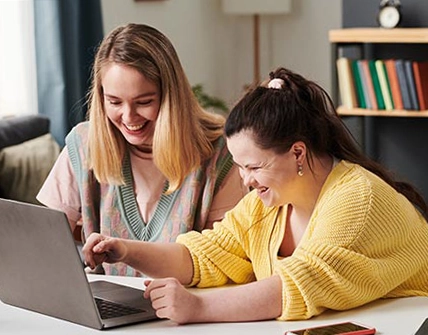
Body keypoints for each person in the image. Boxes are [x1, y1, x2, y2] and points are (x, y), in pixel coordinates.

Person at [82, 67, 428, 324]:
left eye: (253, 167)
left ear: (297, 153)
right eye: (239, 166)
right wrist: (126, 251)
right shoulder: (268, 204)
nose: (245, 180)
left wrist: (197, 308)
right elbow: (205, 257)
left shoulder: (357, 197)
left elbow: (299, 283)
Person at [36, 23, 248, 276]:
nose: (129, 117)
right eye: (114, 101)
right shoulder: (84, 143)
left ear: (171, 96)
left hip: (188, 307)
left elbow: (223, 261)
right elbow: (44, 250)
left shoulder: (220, 154)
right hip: (108, 309)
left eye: (144, 102)